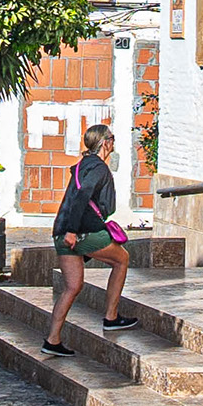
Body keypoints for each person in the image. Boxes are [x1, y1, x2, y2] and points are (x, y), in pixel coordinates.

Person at [44, 120, 130, 350]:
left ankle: (52, 340)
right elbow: (82, 197)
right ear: (105, 143)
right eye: (111, 138)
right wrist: (73, 231)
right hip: (81, 232)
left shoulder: (83, 165)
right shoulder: (99, 168)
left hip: (60, 231)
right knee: (121, 259)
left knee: (72, 287)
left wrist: (68, 231)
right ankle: (111, 317)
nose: (113, 142)